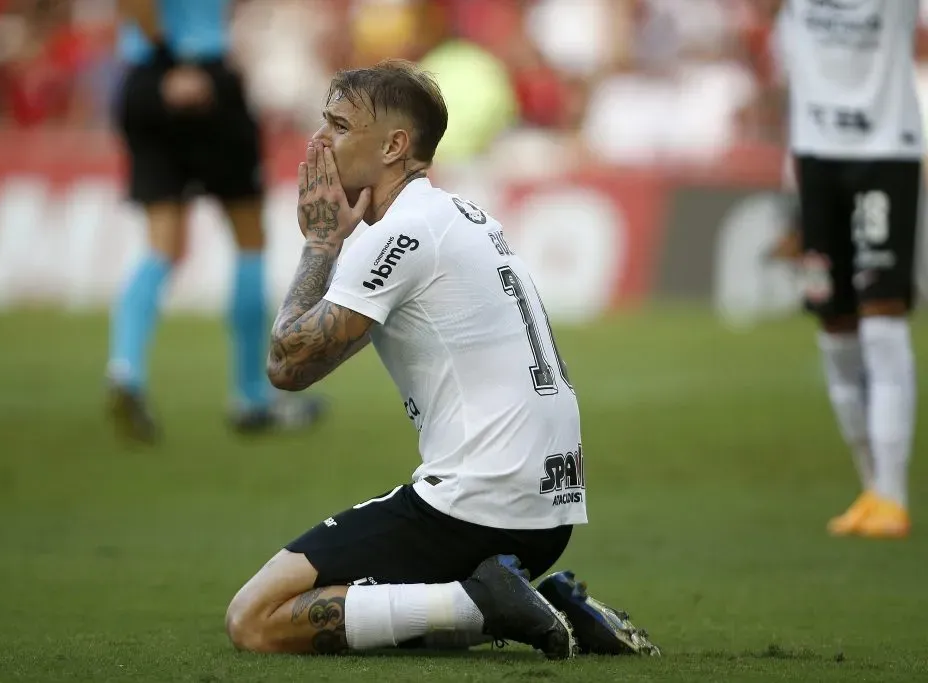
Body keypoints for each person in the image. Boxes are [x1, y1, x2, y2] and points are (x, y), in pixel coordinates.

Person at [223, 60, 660, 658]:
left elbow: (283, 364)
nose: (319, 142)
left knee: (256, 619)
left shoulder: (398, 233)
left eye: (339, 126)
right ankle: (531, 602)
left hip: (480, 505)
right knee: (368, 609)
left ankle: (485, 604)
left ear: (395, 145)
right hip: (546, 511)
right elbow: (304, 366)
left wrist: (321, 243)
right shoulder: (453, 217)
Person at [106, 0, 324, 443]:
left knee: (161, 245)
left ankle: (125, 368)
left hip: (144, 82)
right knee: (249, 239)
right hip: (197, 74)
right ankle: (250, 397)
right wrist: (178, 62)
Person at [777, 0, 923, 537]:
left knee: (882, 322)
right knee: (834, 330)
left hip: (885, 153)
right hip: (814, 158)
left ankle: (894, 495)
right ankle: (871, 489)